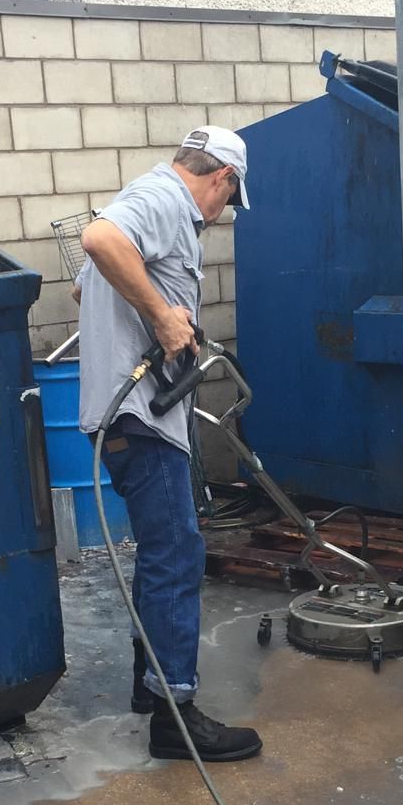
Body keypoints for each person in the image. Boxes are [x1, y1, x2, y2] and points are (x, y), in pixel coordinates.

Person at [75, 127, 262, 763]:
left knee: (161, 552)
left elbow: (86, 281)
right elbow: (98, 241)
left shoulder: (148, 203)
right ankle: (174, 715)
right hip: (138, 417)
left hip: (143, 416)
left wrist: (149, 302)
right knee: (178, 553)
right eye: (229, 201)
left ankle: (145, 683)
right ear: (222, 179)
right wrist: (160, 313)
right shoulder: (162, 199)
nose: (222, 214)